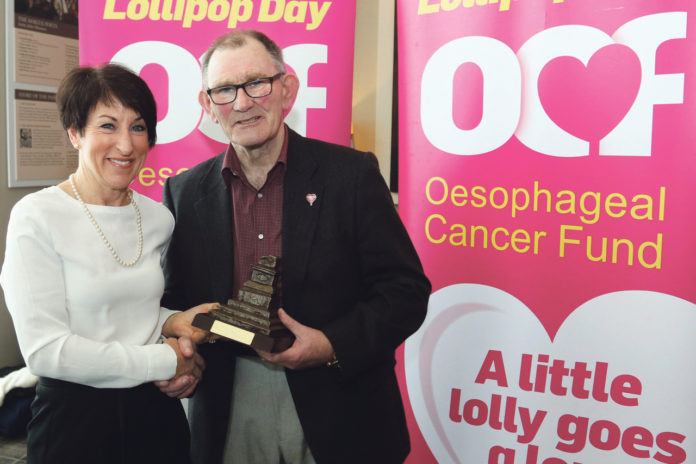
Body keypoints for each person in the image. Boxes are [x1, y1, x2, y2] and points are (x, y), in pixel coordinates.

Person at [160, 30, 431, 464]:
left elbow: (405, 291)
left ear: (287, 89)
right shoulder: (183, 193)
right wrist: (177, 353)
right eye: (225, 90)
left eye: (257, 83)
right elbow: (173, 305)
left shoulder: (351, 175)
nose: (244, 102)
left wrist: (330, 344)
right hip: (230, 403)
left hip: (341, 402)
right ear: (208, 106)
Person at [0, 63, 215, 464]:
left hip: (155, 417)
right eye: (107, 126)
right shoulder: (37, 215)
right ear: (75, 133)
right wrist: (166, 358)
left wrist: (173, 322)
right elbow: (46, 351)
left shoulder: (158, 219)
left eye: (138, 127)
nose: (126, 144)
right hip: (73, 422)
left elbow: (125, 309)